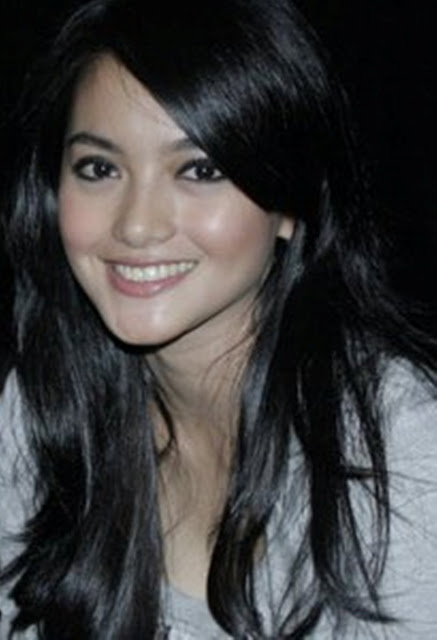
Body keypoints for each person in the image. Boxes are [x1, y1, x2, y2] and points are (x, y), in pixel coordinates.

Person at [1, 0, 436, 637]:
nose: (137, 225)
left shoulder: (401, 454)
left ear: (290, 204)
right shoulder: (42, 409)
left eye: (200, 170)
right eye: (99, 168)